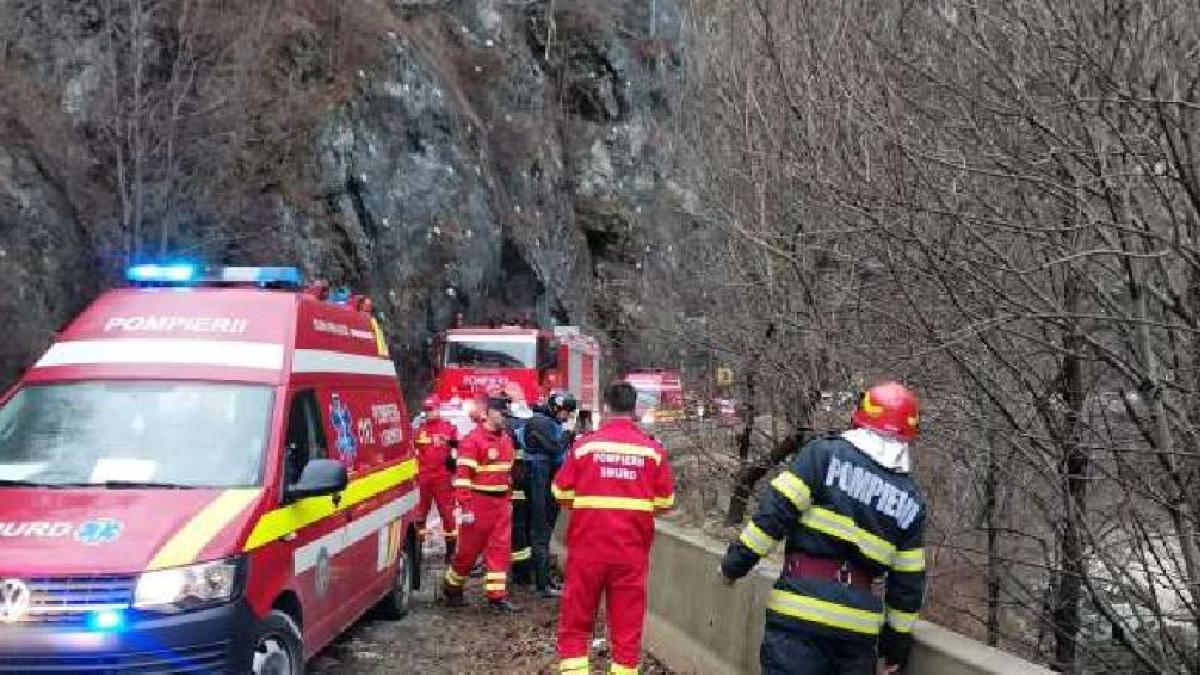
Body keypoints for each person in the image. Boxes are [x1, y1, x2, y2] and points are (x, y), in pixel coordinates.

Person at [719, 381, 927, 675]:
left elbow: (773, 516)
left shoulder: (822, 456)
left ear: (861, 415)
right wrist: (894, 650)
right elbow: (908, 585)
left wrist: (734, 565)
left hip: (799, 616)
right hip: (857, 631)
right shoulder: (911, 500)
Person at [553, 382, 675, 675]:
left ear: (605, 407)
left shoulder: (585, 446)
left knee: (576, 621)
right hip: (630, 552)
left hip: (587, 549)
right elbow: (665, 502)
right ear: (634, 409)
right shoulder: (652, 451)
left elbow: (560, 492)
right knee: (627, 626)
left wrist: (588, 501)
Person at [443, 396, 521, 612]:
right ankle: (452, 587)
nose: (504, 418)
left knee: (500, 551)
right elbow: (463, 477)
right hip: (478, 503)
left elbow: (507, 474)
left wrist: (509, 499)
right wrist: (465, 506)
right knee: (467, 553)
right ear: (488, 413)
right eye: (501, 414)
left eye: (506, 414)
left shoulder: (506, 440)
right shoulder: (472, 441)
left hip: (501, 503)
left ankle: (496, 597)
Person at [520, 390, 577, 598]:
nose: (567, 416)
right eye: (566, 412)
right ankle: (542, 585)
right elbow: (555, 449)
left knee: (543, 531)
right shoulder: (541, 423)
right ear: (556, 408)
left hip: (544, 480)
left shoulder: (547, 421)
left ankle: (543, 579)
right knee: (540, 532)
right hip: (539, 481)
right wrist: (567, 435)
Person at [413, 396, 459, 564]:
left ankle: (451, 552)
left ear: (438, 409)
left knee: (447, 515)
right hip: (423, 478)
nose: (429, 413)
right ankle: (417, 552)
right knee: (419, 515)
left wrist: (453, 462)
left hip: (442, 477)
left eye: (431, 409)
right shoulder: (419, 430)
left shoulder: (448, 428)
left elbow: (458, 446)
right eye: (426, 410)